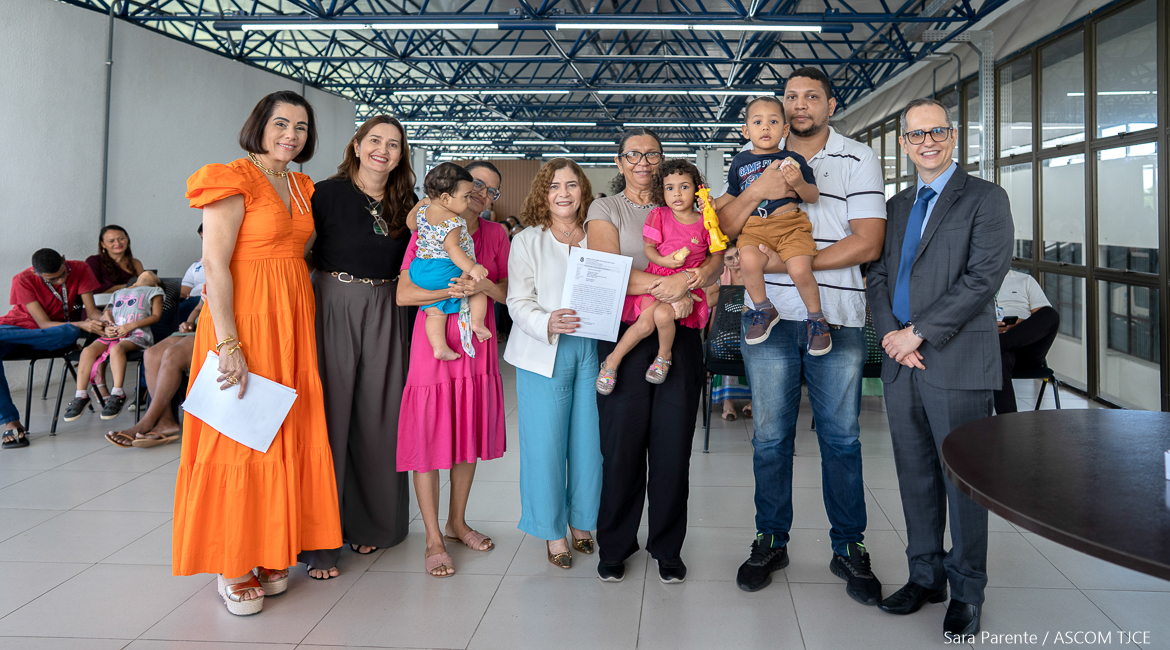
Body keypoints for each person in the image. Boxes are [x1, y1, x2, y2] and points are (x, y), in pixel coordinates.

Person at [715, 67, 886, 602]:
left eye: (812, 96)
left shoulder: (858, 157)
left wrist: (790, 265)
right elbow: (725, 225)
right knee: (769, 438)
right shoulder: (752, 156)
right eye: (791, 96)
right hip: (766, 319)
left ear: (831, 105)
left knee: (841, 438)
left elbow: (868, 243)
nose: (799, 104)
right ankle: (771, 539)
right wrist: (760, 190)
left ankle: (849, 546)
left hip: (833, 314)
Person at [173, 90, 341, 616]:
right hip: (242, 321)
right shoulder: (230, 177)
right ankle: (232, 561)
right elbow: (214, 264)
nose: (291, 135)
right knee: (238, 435)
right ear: (259, 126)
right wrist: (228, 343)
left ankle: (270, 547)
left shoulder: (301, 185)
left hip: (291, 321)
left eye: (301, 127)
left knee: (280, 431)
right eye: (281, 124)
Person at [866, 97, 1013, 639]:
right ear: (904, 144)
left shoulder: (985, 198)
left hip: (955, 359)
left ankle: (967, 590)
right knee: (915, 474)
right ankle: (925, 576)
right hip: (902, 360)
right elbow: (878, 275)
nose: (927, 142)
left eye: (937, 132)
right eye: (916, 134)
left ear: (952, 137)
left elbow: (983, 278)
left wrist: (918, 332)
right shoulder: (897, 205)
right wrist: (893, 337)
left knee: (963, 481)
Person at [586, 128, 724, 584]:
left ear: (663, 161)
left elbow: (715, 260)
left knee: (672, 447)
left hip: (680, 335)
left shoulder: (692, 206)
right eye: (632, 154)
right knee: (621, 446)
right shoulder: (607, 209)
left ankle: (667, 546)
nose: (642, 161)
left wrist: (694, 279)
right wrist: (675, 287)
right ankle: (615, 544)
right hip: (625, 331)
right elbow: (608, 271)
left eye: (652, 154)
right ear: (619, 161)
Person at [299, 114, 418, 580]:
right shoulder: (324, 193)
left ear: (401, 154)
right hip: (333, 300)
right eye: (375, 140)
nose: (382, 150)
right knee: (329, 418)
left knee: (380, 418)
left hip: (389, 306)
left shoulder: (407, 203)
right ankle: (320, 540)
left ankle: (371, 523)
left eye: (393, 144)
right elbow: (297, 253)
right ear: (356, 144)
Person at [397, 160, 510, 578]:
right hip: (434, 343)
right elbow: (404, 293)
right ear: (457, 188)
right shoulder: (430, 224)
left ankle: (457, 523)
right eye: (476, 184)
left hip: (475, 344)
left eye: (491, 190)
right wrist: (453, 289)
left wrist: (481, 286)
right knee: (428, 434)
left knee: (466, 431)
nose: (481, 193)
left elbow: (507, 294)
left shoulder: (496, 234)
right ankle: (432, 538)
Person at [505, 158, 601, 569]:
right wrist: (545, 320)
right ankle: (551, 530)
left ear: (583, 191)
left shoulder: (598, 235)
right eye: (554, 186)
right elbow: (516, 300)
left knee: (589, 444)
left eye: (571, 185)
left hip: (593, 348)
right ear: (543, 194)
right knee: (545, 446)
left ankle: (582, 522)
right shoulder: (528, 240)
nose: (564, 193)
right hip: (544, 349)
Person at [708, 96, 826, 351]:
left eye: (773, 122)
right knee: (748, 261)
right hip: (754, 227)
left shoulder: (793, 159)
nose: (765, 127)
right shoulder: (739, 161)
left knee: (800, 269)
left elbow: (812, 196)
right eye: (757, 122)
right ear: (745, 130)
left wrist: (798, 183)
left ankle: (817, 319)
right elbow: (732, 194)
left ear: (785, 129)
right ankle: (763, 309)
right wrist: (713, 203)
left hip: (790, 225)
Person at [596, 159, 713, 394]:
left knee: (662, 315)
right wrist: (664, 261)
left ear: (697, 189)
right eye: (670, 188)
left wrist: (697, 275)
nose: (677, 194)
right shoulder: (659, 215)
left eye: (684, 187)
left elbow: (714, 255)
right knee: (644, 324)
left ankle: (663, 356)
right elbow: (649, 249)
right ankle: (612, 361)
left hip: (685, 283)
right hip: (657, 277)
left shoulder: (706, 221)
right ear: (662, 191)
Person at [0, 249, 105, 449]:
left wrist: (105, 318)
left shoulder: (81, 268)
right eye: (52, 279)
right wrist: (81, 325)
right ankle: (11, 421)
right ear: (35, 272)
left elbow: (92, 312)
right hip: (15, 330)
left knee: (69, 332)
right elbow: (42, 323)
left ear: (64, 260)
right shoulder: (22, 279)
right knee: (72, 329)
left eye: (62, 274)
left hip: (52, 336)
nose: (60, 281)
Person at [407, 162, 491, 360]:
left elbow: (410, 224)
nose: (469, 201)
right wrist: (473, 268)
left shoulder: (423, 212)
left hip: (419, 270)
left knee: (435, 312)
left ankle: (439, 347)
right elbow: (453, 249)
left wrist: (419, 205)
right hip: (441, 270)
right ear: (445, 198)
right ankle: (477, 323)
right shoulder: (453, 221)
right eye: (465, 196)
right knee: (477, 286)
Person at [63, 272, 164, 422]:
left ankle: (117, 393)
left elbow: (156, 316)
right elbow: (107, 313)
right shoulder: (118, 293)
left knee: (118, 349)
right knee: (88, 350)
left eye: (153, 276)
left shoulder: (155, 291)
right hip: (113, 334)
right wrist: (107, 325)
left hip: (137, 335)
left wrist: (131, 326)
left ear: (156, 283)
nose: (148, 272)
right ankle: (81, 395)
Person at [105, 294, 203, 448]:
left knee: (172, 355)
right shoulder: (209, 281)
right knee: (151, 354)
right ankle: (165, 420)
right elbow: (198, 307)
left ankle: (147, 421)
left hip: (216, 331)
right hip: (195, 329)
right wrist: (189, 322)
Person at [993, 270, 1059, 414]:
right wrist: (988, 326)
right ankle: (1009, 423)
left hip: (1027, 348)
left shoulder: (1025, 280)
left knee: (1050, 314)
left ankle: (995, 346)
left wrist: (1019, 323)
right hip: (997, 350)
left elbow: (1041, 319)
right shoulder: (974, 281)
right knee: (1000, 358)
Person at [706, 242, 753, 421]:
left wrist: (729, 293)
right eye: (729, 258)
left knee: (761, 348)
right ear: (723, 261)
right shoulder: (719, 274)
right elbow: (709, 300)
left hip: (752, 325)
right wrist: (736, 291)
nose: (736, 261)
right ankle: (728, 403)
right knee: (726, 344)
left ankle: (755, 401)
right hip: (725, 327)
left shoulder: (753, 269)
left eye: (738, 255)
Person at [86, 225, 146, 294]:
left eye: (121, 239)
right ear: (103, 244)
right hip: (104, 300)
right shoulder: (94, 261)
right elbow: (93, 288)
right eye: (111, 241)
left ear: (127, 239)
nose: (117, 243)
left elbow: (144, 287)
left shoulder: (135, 263)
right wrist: (126, 286)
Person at [178, 225, 205, 324]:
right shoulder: (196, 265)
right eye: (203, 238)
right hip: (192, 302)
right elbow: (183, 293)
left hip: (206, 300)